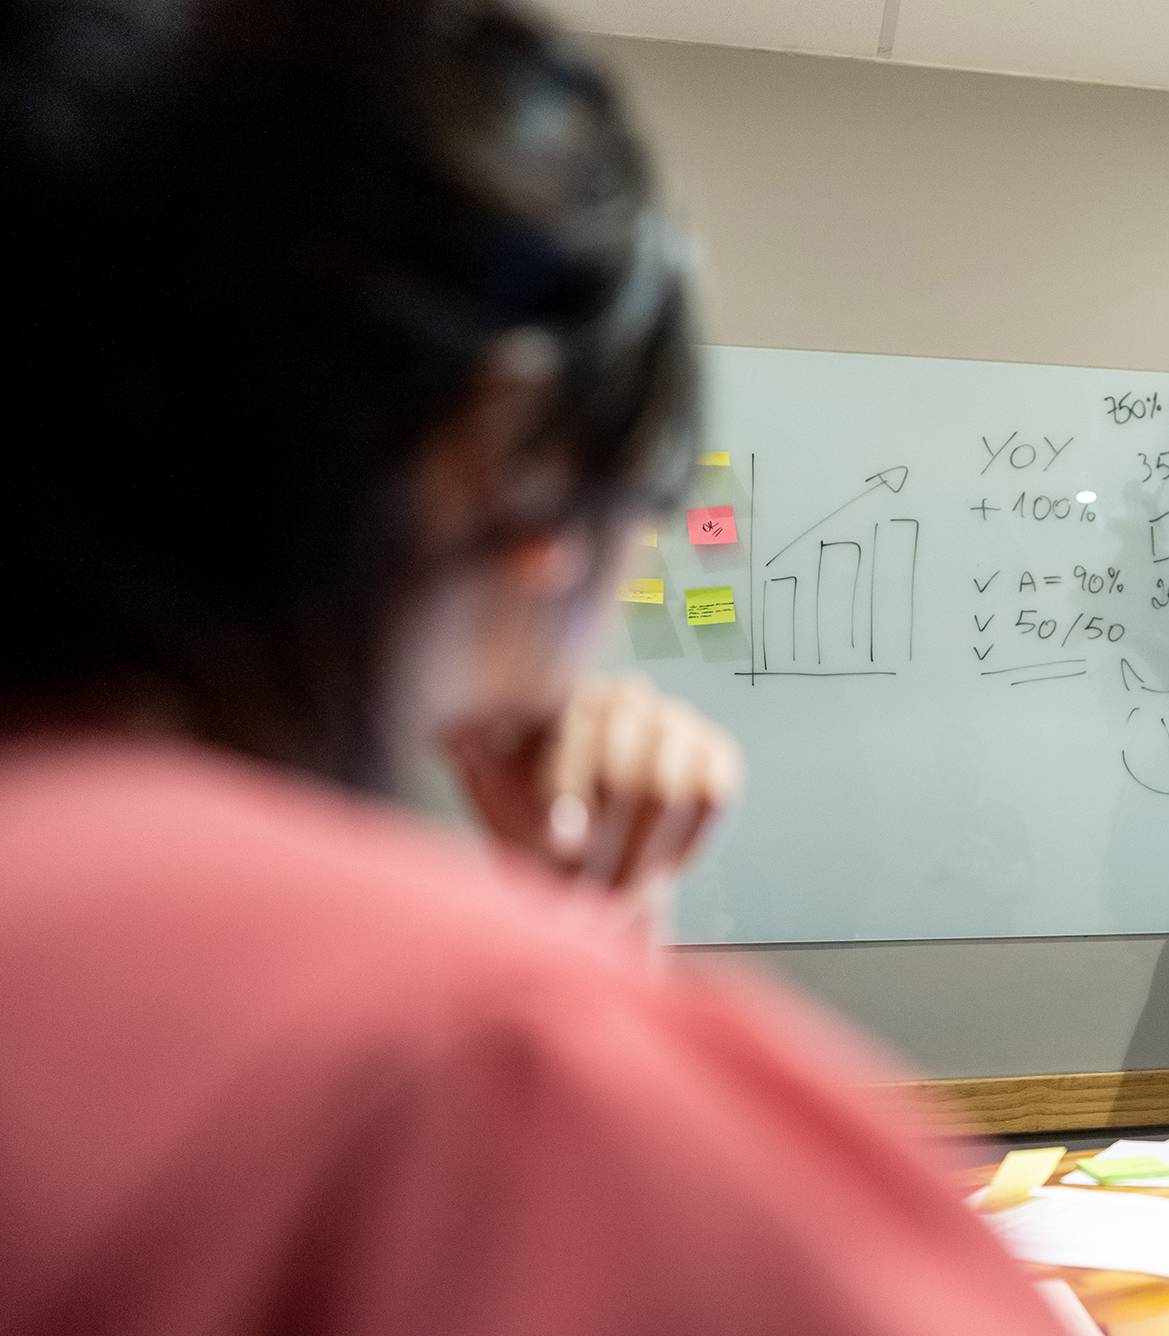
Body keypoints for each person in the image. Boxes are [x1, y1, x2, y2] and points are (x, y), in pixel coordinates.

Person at [0, 2, 1066, 1332]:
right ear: (504, 456)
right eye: (642, 498)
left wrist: (568, 911)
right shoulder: (469, 1051)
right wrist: (557, 980)